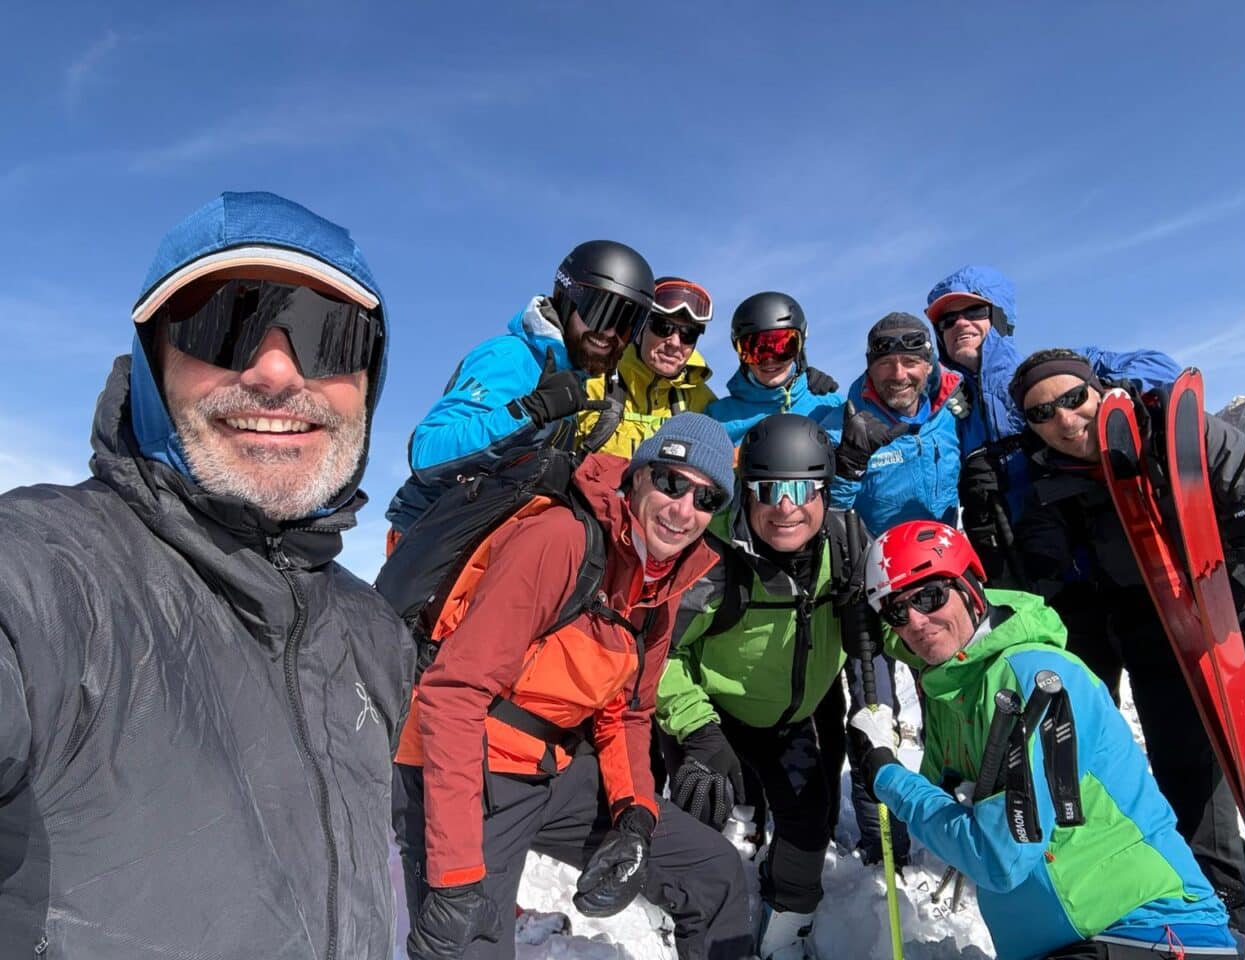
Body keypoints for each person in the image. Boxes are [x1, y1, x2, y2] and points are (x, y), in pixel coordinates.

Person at [0, 191, 415, 959]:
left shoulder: (374, 636)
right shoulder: (44, 576)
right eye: (227, 323)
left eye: (329, 335)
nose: (275, 371)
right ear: (157, 360)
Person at [403, 414, 753, 960]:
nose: (684, 509)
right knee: (466, 942)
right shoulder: (562, 539)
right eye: (671, 482)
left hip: (555, 766)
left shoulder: (660, 588)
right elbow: (454, 695)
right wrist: (453, 877)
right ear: (638, 477)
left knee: (713, 873)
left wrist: (634, 818)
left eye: (706, 499)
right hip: (469, 767)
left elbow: (629, 714)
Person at [848, 520, 1235, 960]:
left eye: (930, 596)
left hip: (1147, 929)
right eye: (897, 611)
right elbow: (945, 820)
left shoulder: (1036, 679)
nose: (916, 620)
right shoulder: (950, 688)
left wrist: (886, 772)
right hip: (1066, 942)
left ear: (971, 586)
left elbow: (999, 856)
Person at [1010, 347, 1245, 926]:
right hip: (1153, 625)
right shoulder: (1048, 484)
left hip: (1239, 596)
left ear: (1098, 389)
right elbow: (1047, 572)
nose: (1062, 419)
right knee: (1186, 764)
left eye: (1072, 398)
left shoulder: (1177, 429)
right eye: (1041, 414)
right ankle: (1231, 897)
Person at [656, 413, 906, 959]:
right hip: (711, 714)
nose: (785, 507)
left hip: (795, 717)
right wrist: (696, 728)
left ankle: (785, 925)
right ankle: (682, 905)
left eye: (802, 489)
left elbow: (893, 625)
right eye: (768, 489)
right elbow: (659, 654)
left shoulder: (845, 545)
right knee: (703, 812)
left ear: (824, 490)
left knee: (809, 822)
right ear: (745, 492)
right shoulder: (711, 558)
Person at [923, 265, 1180, 582]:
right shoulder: (946, 410)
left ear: (1000, 317)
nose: (959, 323)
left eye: (974, 310)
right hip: (1010, 564)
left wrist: (1099, 393)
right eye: (947, 320)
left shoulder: (1056, 371)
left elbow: (1164, 369)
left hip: (1093, 553)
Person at [384, 239, 654, 537]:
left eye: (629, 323)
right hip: (433, 541)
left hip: (490, 536)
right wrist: (528, 411)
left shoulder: (570, 378)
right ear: (566, 298)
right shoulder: (511, 358)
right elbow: (426, 452)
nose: (611, 333)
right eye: (602, 313)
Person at [829, 311, 963, 534]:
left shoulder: (953, 413)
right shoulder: (841, 428)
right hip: (878, 564)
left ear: (929, 366)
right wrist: (847, 468)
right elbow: (821, 515)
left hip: (948, 556)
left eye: (910, 362)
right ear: (870, 369)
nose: (899, 375)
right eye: (886, 363)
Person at [578, 276, 717, 457]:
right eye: (663, 327)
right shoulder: (590, 382)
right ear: (638, 327)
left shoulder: (705, 405)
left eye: (688, 334)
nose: (675, 343)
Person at [705, 291, 842, 444]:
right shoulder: (717, 419)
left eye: (782, 347)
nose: (769, 360)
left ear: (800, 345)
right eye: (756, 349)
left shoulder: (834, 406)